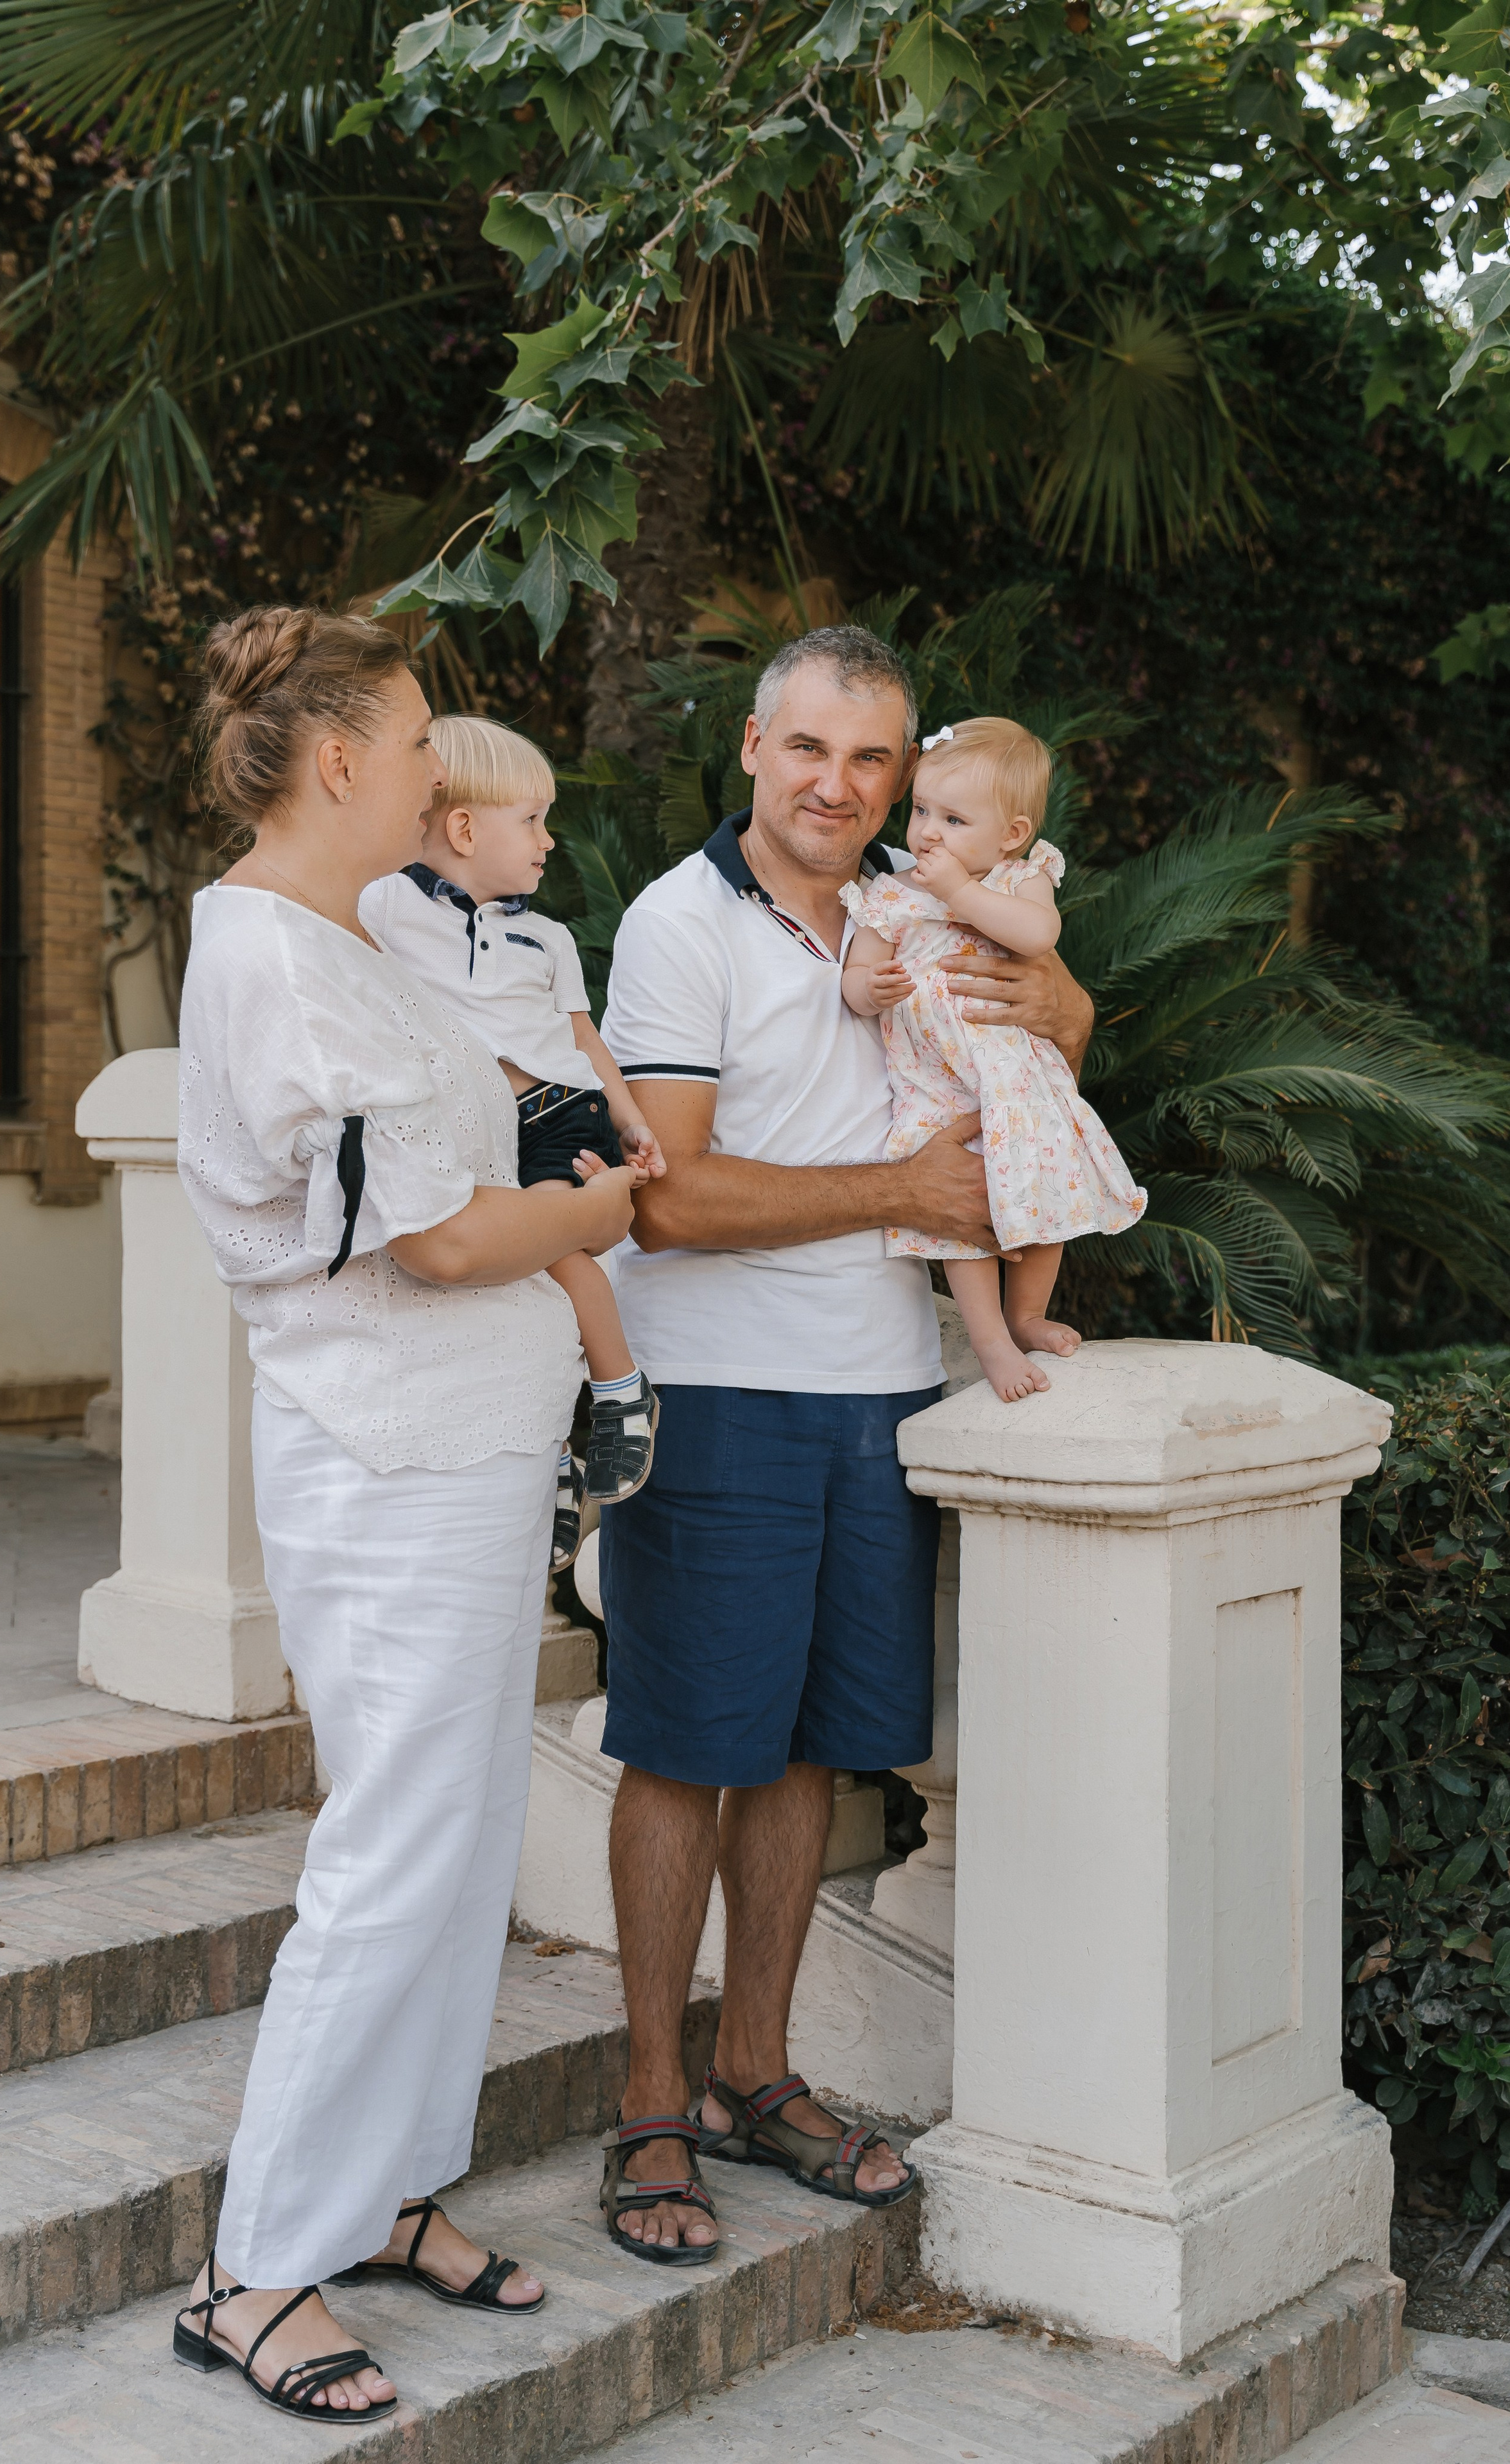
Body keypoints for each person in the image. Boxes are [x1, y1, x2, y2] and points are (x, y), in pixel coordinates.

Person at [170, 608, 637, 2419]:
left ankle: (382, 2200)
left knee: (456, 1849)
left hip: (463, 1448)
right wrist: (594, 1224)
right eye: (424, 733)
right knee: (390, 1858)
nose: (445, 764)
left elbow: (461, 1144)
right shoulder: (274, 962)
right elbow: (434, 1239)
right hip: (390, 1458)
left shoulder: (343, 934)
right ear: (342, 758)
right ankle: (258, 2264)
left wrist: (558, 1140)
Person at [593, 626, 1095, 2259]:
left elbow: (1048, 1035)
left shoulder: (923, 893)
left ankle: (757, 2069)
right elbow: (662, 1198)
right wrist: (897, 1194)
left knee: (808, 1743)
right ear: (751, 745)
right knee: (686, 1742)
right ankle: (652, 2100)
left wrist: (1066, 993)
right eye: (809, 748)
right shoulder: (681, 926)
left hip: (880, 1386)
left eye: (869, 759)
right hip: (720, 1388)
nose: (839, 785)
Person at [361, 714, 663, 1567]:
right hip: (475, 1128)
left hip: (561, 1114)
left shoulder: (548, 936)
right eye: (531, 820)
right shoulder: (386, 905)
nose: (549, 839)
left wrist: (633, 1122)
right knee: (511, 1294)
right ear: (461, 828)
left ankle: (622, 1392)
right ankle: (555, 1464)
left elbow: (586, 1040)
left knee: (559, 1257)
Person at [841, 714, 1146, 1403]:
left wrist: (959, 893)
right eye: (921, 810)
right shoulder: (890, 897)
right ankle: (990, 1341)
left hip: (1016, 1082)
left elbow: (1039, 935)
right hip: (938, 1088)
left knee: (1048, 1184)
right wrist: (869, 987)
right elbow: (857, 979)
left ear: (1010, 835)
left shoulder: (1018, 881)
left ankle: (1027, 1313)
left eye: (953, 819)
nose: (927, 833)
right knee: (959, 1221)